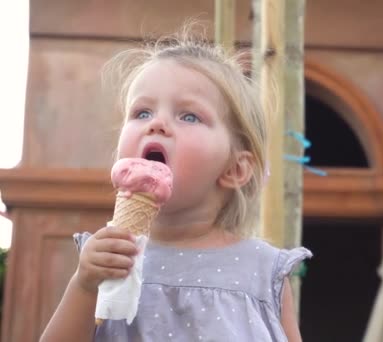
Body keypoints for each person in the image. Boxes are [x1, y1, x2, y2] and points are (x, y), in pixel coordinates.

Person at [40, 23, 311, 342]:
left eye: (189, 116)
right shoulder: (104, 259)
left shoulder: (264, 269)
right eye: (141, 113)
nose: (157, 124)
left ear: (235, 169)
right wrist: (84, 284)